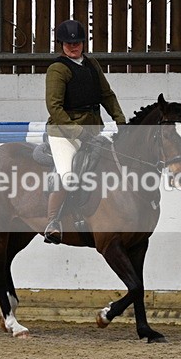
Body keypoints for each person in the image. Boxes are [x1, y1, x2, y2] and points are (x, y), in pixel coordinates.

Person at [43, 19, 127, 244]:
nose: (73, 46)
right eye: (69, 43)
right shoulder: (57, 69)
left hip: (92, 131)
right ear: (61, 44)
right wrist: (77, 132)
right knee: (67, 175)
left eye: (77, 42)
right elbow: (55, 108)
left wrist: (121, 121)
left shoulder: (92, 65)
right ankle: (53, 222)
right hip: (63, 133)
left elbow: (107, 95)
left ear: (83, 43)